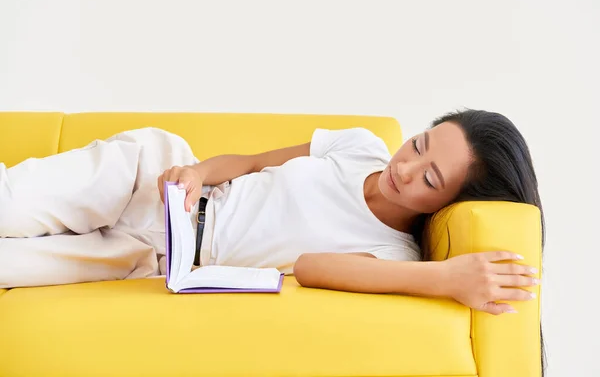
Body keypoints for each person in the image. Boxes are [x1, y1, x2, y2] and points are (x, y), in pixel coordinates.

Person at [0, 108, 544, 317]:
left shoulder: (393, 254)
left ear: (447, 205)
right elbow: (252, 161)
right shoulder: (358, 146)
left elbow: (312, 266)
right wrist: (197, 173)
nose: (406, 167)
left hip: (160, 258)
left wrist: (447, 275)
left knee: (11, 268)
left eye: (429, 179)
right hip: (156, 184)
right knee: (12, 203)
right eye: (420, 145)